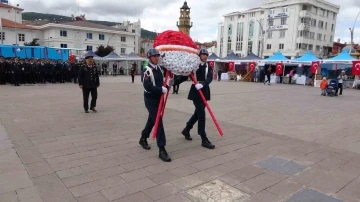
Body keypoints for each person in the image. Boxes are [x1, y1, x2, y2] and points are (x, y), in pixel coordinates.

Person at [178, 49, 215, 149]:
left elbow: (210, 77)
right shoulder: (194, 65)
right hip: (196, 91)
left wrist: (203, 84)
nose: (205, 56)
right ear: (199, 55)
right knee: (201, 115)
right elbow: (185, 75)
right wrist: (175, 82)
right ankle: (203, 138)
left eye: (206, 55)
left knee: (197, 114)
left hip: (204, 90)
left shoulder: (208, 66)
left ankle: (187, 129)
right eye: (203, 54)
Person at [140, 48, 172, 162]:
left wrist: (168, 86)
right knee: (158, 122)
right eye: (154, 56)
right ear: (149, 58)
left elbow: (163, 83)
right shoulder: (146, 70)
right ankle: (162, 149)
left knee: (152, 120)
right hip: (151, 99)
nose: (157, 58)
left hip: (160, 98)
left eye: (158, 56)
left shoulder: (159, 68)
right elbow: (147, 86)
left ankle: (143, 137)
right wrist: (161, 89)